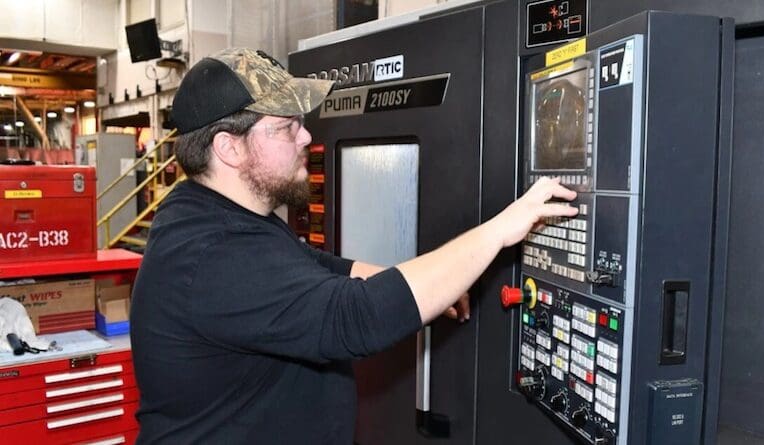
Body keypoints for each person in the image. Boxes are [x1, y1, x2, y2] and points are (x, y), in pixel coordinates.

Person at [129, 47, 578, 444]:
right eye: (286, 127)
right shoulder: (210, 254)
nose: (305, 137)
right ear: (229, 148)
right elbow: (355, 317)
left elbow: (319, 266)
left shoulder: (219, 214)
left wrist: (431, 286)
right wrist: (500, 229)